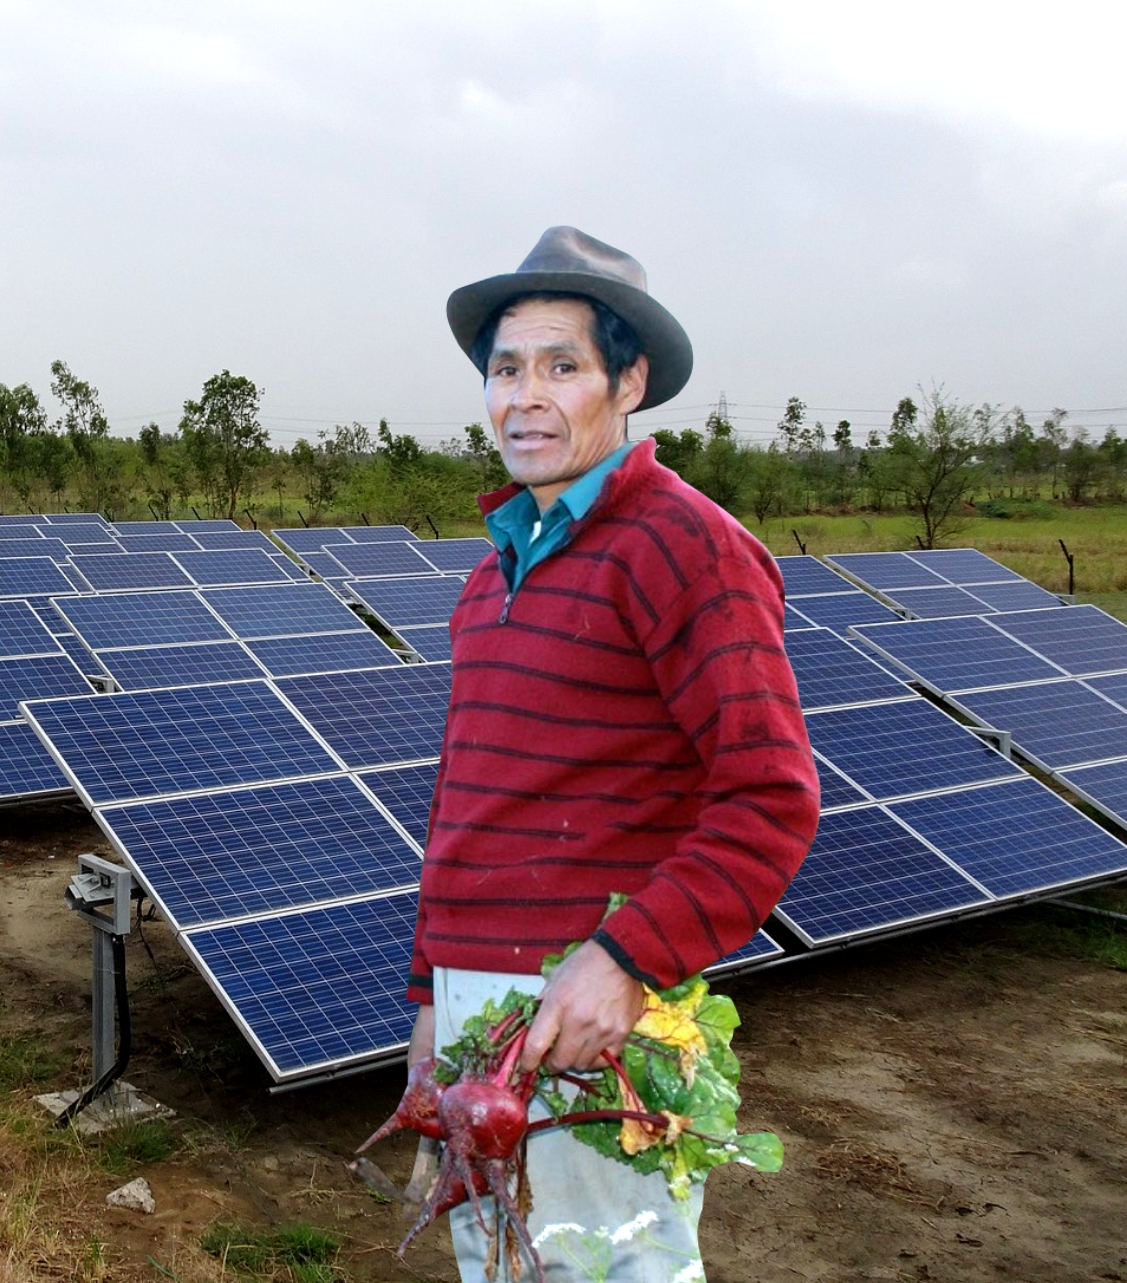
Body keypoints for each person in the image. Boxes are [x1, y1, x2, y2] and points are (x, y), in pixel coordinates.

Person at [402, 227, 820, 1281]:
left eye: (560, 365)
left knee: (604, 1269)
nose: (523, 396)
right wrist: (426, 998)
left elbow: (767, 795)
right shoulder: (491, 573)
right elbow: (463, 803)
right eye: (503, 368)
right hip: (476, 1013)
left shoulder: (684, 546)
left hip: (587, 1017)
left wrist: (626, 961)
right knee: (499, 1261)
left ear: (626, 382)